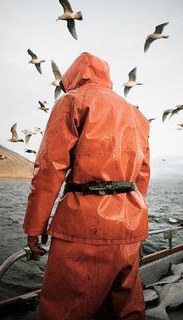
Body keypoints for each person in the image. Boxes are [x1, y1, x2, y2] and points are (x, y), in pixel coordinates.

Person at [23, 52, 150, 320]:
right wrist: (129, 214)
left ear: (72, 77)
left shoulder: (72, 101)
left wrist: (35, 228)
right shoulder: (137, 115)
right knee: (126, 310)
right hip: (129, 228)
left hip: (83, 228)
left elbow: (49, 168)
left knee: (65, 311)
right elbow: (143, 175)